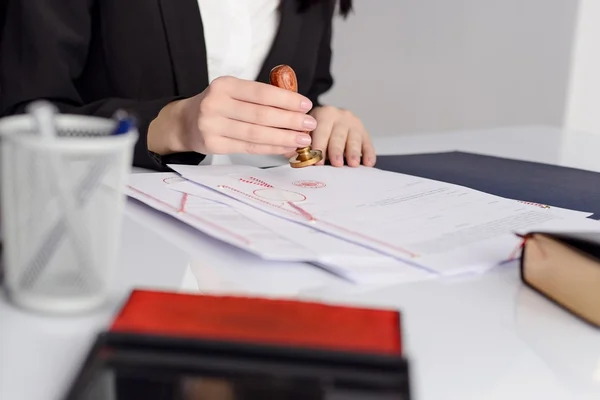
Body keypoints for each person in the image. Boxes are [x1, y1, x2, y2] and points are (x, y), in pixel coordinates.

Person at [0, 0, 376, 171]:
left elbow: (306, 92)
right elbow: (20, 118)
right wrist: (171, 126)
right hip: (108, 235)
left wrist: (321, 121)